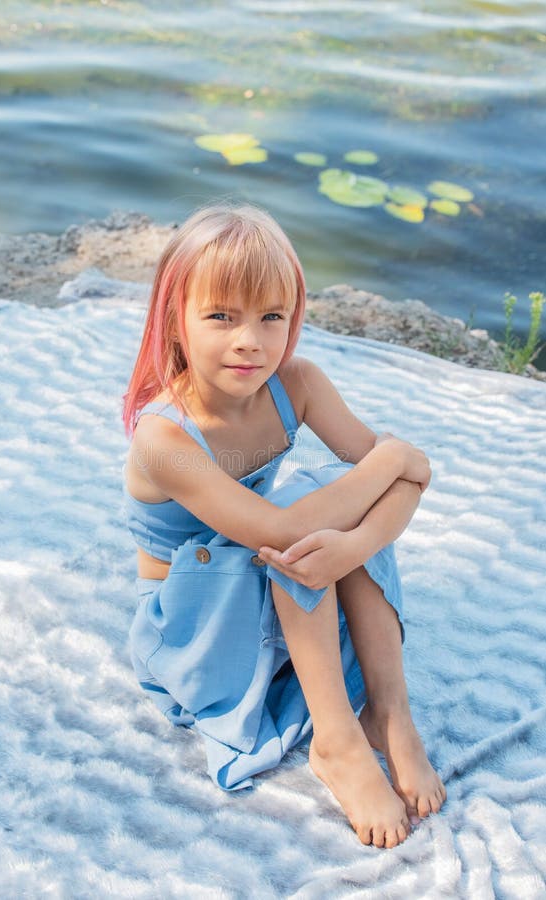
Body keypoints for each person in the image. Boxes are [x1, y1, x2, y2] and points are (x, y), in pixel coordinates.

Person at [122, 202, 446, 849]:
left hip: (271, 576)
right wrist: (388, 460)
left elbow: (409, 478)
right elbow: (297, 520)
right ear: (175, 322)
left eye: (272, 316)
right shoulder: (164, 436)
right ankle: (336, 740)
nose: (251, 339)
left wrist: (353, 544)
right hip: (192, 626)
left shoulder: (295, 382)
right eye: (221, 316)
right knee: (321, 502)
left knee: (330, 514)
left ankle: (388, 711)